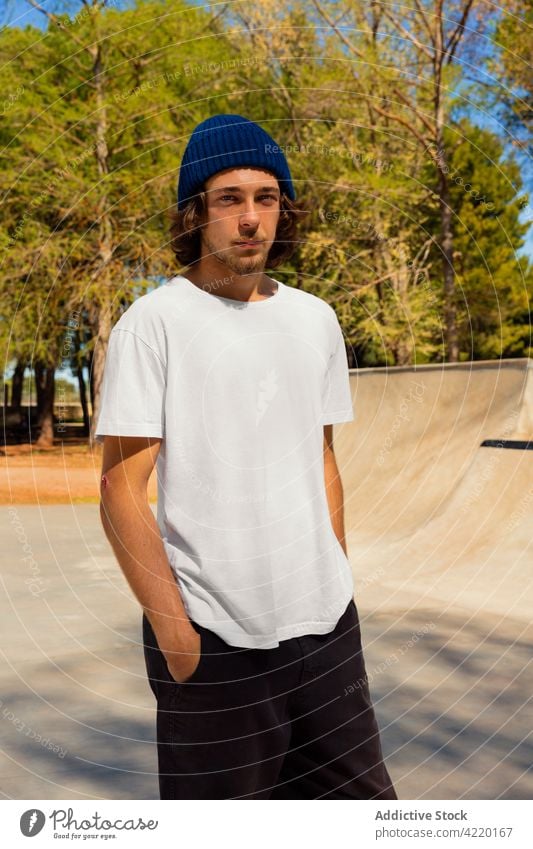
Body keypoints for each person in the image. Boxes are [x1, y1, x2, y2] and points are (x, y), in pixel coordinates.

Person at [95, 113, 397, 801]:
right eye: (229, 199)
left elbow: (321, 460)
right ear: (196, 212)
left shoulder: (314, 318)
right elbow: (119, 487)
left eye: (265, 198)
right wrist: (179, 637)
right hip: (214, 638)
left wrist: (336, 578)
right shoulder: (154, 324)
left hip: (324, 631)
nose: (250, 218)